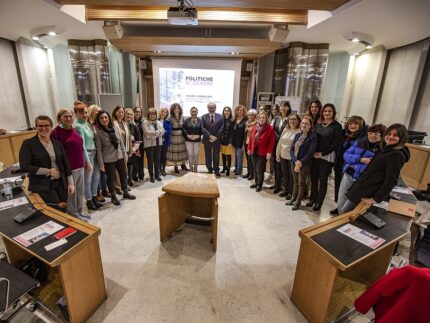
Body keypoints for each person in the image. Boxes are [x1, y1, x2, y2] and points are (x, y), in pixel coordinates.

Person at [340, 124, 410, 214]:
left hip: (367, 191)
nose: (391, 137)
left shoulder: (396, 155)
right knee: (345, 212)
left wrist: (376, 198)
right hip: (361, 187)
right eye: (389, 134)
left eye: (395, 135)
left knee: (345, 213)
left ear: (402, 138)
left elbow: (391, 180)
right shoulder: (385, 149)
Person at [19, 115, 74, 209]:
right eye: (40, 126)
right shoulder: (28, 144)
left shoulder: (57, 143)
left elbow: (66, 164)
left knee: (64, 208)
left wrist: (71, 183)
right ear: (36, 127)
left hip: (60, 182)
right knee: (56, 210)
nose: (43, 128)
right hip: (42, 184)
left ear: (51, 127)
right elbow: (24, 166)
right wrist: (48, 171)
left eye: (46, 125)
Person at [336, 124, 386, 213]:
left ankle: (344, 222)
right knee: (341, 202)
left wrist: (353, 163)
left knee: (348, 208)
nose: (372, 136)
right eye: (370, 133)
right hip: (349, 175)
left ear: (382, 136)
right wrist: (360, 159)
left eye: (376, 134)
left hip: (362, 181)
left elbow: (371, 168)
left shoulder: (382, 150)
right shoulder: (360, 142)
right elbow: (346, 155)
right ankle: (340, 222)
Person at [51, 108, 89, 221]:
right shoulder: (56, 132)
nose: (68, 118)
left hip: (80, 165)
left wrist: (86, 162)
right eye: (65, 116)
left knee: (80, 191)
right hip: (69, 169)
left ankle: (80, 211)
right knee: (72, 193)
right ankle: (73, 213)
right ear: (59, 119)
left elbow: (81, 147)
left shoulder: (74, 129)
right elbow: (56, 153)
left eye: (70, 116)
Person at [94, 110, 136, 206]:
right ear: (99, 120)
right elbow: (99, 149)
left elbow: (120, 142)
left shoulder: (115, 128)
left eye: (106, 117)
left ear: (109, 118)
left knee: (123, 175)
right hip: (108, 159)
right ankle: (113, 196)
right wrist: (101, 164)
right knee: (111, 179)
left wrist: (125, 155)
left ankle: (125, 192)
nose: (104, 119)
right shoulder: (98, 133)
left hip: (119, 156)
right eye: (101, 118)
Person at [309, 103, 343, 211]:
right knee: (314, 179)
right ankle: (312, 199)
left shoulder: (337, 126)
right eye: (325, 111)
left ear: (333, 113)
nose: (327, 113)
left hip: (326, 157)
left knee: (323, 181)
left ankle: (319, 202)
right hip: (315, 155)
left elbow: (335, 143)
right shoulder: (318, 124)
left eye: (329, 111)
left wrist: (323, 153)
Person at [331, 116, 367, 215]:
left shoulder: (363, 138)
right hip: (341, 163)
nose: (353, 126)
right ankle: (339, 206)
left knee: (349, 190)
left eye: (356, 124)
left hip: (352, 167)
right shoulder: (346, 134)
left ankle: (344, 210)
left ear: (361, 125)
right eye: (350, 124)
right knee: (339, 186)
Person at [74, 103, 102, 211]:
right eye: (81, 113)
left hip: (94, 152)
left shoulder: (87, 124)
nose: (84, 115)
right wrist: (87, 161)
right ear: (76, 114)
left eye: (85, 112)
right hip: (88, 154)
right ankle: (89, 200)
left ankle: (94, 197)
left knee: (96, 177)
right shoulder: (78, 126)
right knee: (88, 180)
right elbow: (82, 146)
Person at [286, 116, 317, 210]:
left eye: (306, 123)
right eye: (303, 123)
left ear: (310, 126)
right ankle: (293, 198)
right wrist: (295, 161)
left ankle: (298, 201)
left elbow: (311, 152)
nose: (303, 125)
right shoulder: (297, 135)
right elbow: (291, 149)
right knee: (295, 181)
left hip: (305, 164)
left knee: (301, 183)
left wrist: (300, 162)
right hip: (294, 162)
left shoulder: (313, 136)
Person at [248, 112, 275, 192]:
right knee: (255, 168)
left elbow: (272, 142)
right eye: (260, 117)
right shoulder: (254, 127)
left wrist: (269, 152)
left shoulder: (270, 128)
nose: (261, 119)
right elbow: (251, 139)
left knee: (259, 169)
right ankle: (256, 182)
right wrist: (249, 148)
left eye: (263, 118)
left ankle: (260, 184)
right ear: (258, 118)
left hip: (263, 152)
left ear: (266, 119)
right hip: (254, 150)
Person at [276, 114, 301, 199]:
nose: (292, 121)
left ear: (298, 120)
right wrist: (277, 153)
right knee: (285, 175)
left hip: (292, 158)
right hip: (283, 155)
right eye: (291, 119)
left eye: (294, 119)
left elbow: (298, 146)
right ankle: (286, 190)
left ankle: (291, 192)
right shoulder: (286, 129)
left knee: (292, 177)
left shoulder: (299, 131)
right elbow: (280, 142)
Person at [88, 105, 107, 203]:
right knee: (94, 176)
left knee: (100, 174)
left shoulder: (100, 124)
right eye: (96, 112)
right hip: (92, 153)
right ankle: (95, 194)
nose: (98, 114)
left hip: (101, 152)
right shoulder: (90, 124)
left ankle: (101, 191)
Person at [201, 102, 224, 177]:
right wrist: (210, 136)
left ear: (215, 108)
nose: (211, 109)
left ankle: (216, 170)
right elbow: (203, 128)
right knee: (208, 156)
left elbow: (222, 128)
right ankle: (209, 169)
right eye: (210, 108)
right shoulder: (203, 117)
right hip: (207, 140)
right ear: (208, 108)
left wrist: (216, 137)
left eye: (213, 108)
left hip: (217, 140)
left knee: (216, 156)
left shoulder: (220, 116)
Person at [143, 108, 165, 182]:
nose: (152, 116)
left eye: (154, 114)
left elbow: (163, 131)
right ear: (148, 115)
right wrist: (157, 133)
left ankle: (157, 175)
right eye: (151, 114)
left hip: (158, 144)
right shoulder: (145, 123)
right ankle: (152, 176)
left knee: (157, 160)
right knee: (150, 161)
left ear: (156, 115)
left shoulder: (159, 122)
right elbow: (147, 135)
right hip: (149, 145)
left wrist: (153, 132)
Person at [167, 103, 188, 173]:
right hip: (173, 136)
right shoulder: (170, 118)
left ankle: (183, 164)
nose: (176, 110)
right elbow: (168, 128)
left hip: (181, 136)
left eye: (178, 108)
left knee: (182, 151)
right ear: (172, 110)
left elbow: (184, 127)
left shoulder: (182, 117)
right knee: (175, 152)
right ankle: (175, 166)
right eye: (175, 109)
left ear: (179, 109)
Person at [125, 108, 142, 186]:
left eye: (131, 114)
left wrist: (133, 150)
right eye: (127, 114)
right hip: (124, 149)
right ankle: (125, 180)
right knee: (125, 165)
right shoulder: (121, 125)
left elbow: (138, 139)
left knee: (132, 164)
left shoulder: (134, 126)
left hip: (133, 149)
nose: (129, 116)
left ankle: (131, 178)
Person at [183, 107, 202, 172]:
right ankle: (191, 167)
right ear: (190, 112)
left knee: (196, 154)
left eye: (195, 111)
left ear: (197, 112)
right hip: (188, 140)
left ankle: (196, 167)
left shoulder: (200, 120)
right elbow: (183, 129)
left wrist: (198, 136)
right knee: (190, 154)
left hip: (197, 141)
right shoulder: (186, 120)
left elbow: (202, 129)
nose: (193, 113)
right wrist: (188, 135)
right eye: (192, 111)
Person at [268, 104, 283, 190]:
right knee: (272, 161)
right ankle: (274, 181)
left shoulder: (279, 119)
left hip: (278, 142)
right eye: (272, 109)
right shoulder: (273, 119)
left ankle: (279, 183)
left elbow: (275, 131)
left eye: (275, 109)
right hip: (272, 143)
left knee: (278, 164)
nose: (274, 111)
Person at [231, 105, 247, 176]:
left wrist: (244, 144)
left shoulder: (246, 120)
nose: (239, 111)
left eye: (241, 110)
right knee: (236, 156)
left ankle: (239, 170)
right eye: (238, 110)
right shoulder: (235, 119)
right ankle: (236, 168)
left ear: (243, 112)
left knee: (240, 156)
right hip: (235, 141)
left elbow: (245, 133)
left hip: (241, 141)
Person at [243, 109, 257, 180]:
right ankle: (249, 172)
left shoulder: (256, 124)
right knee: (248, 159)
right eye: (249, 115)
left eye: (252, 115)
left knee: (252, 160)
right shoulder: (246, 123)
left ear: (255, 116)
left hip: (252, 144)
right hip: (246, 142)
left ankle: (252, 174)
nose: (250, 116)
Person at [220, 106, 234, 176]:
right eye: (225, 110)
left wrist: (230, 142)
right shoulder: (222, 120)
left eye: (228, 111)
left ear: (230, 112)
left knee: (228, 156)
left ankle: (228, 169)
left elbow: (232, 133)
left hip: (228, 141)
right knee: (223, 155)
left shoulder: (231, 121)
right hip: (222, 141)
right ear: (223, 112)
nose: (226, 112)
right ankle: (224, 168)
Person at [133, 106, 145, 181]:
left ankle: (141, 175)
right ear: (134, 112)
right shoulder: (131, 121)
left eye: (139, 112)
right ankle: (134, 175)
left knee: (141, 160)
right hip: (133, 145)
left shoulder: (143, 122)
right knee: (134, 161)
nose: (138, 113)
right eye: (136, 111)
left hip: (141, 144)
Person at [159, 107, 172, 176]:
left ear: (167, 114)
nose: (163, 113)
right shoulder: (156, 120)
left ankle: (163, 169)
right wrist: (162, 132)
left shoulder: (168, 121)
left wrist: (160, 133)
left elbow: (169, 131)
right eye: (162, 111)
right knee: (158, 156)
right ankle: (158, 169)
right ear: (160, 112)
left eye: (165, 112)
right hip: (157, 141)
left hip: (165, 141)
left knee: (164, 156)